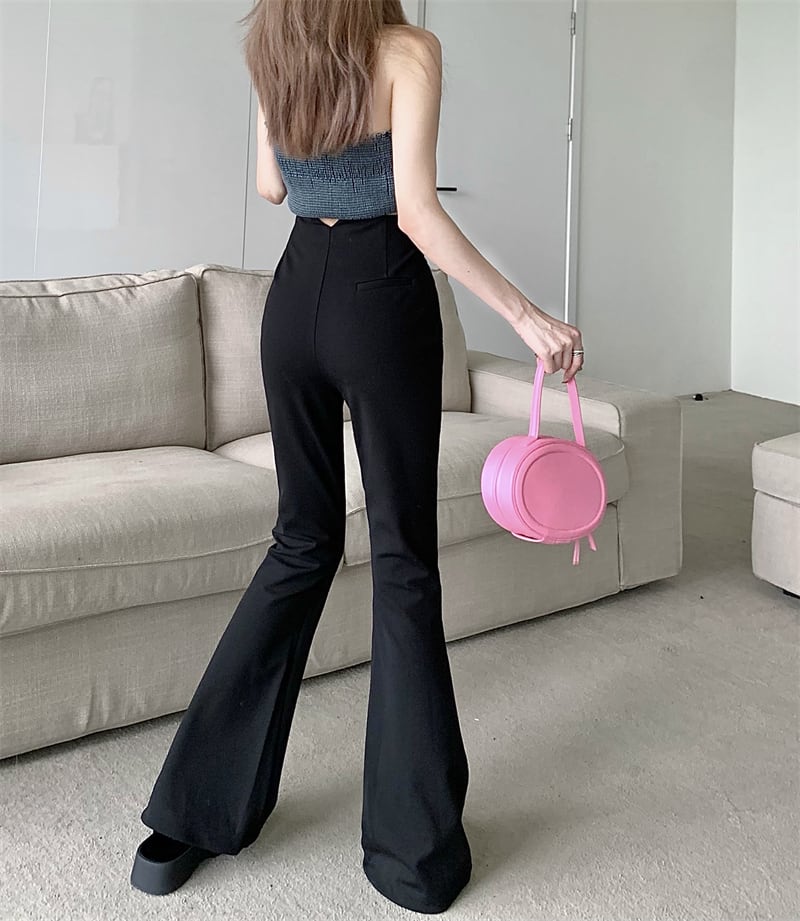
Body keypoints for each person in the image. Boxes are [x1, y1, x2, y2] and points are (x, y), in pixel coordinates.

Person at [130, 0, 585, 914]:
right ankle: (412, 860)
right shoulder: (410, 49)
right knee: (404, 560)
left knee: (301, 543)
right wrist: (527, 316)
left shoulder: (270, 46)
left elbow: (272, 186)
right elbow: (415, 210)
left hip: (292, 300)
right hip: (380, 298)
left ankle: (187, 818)